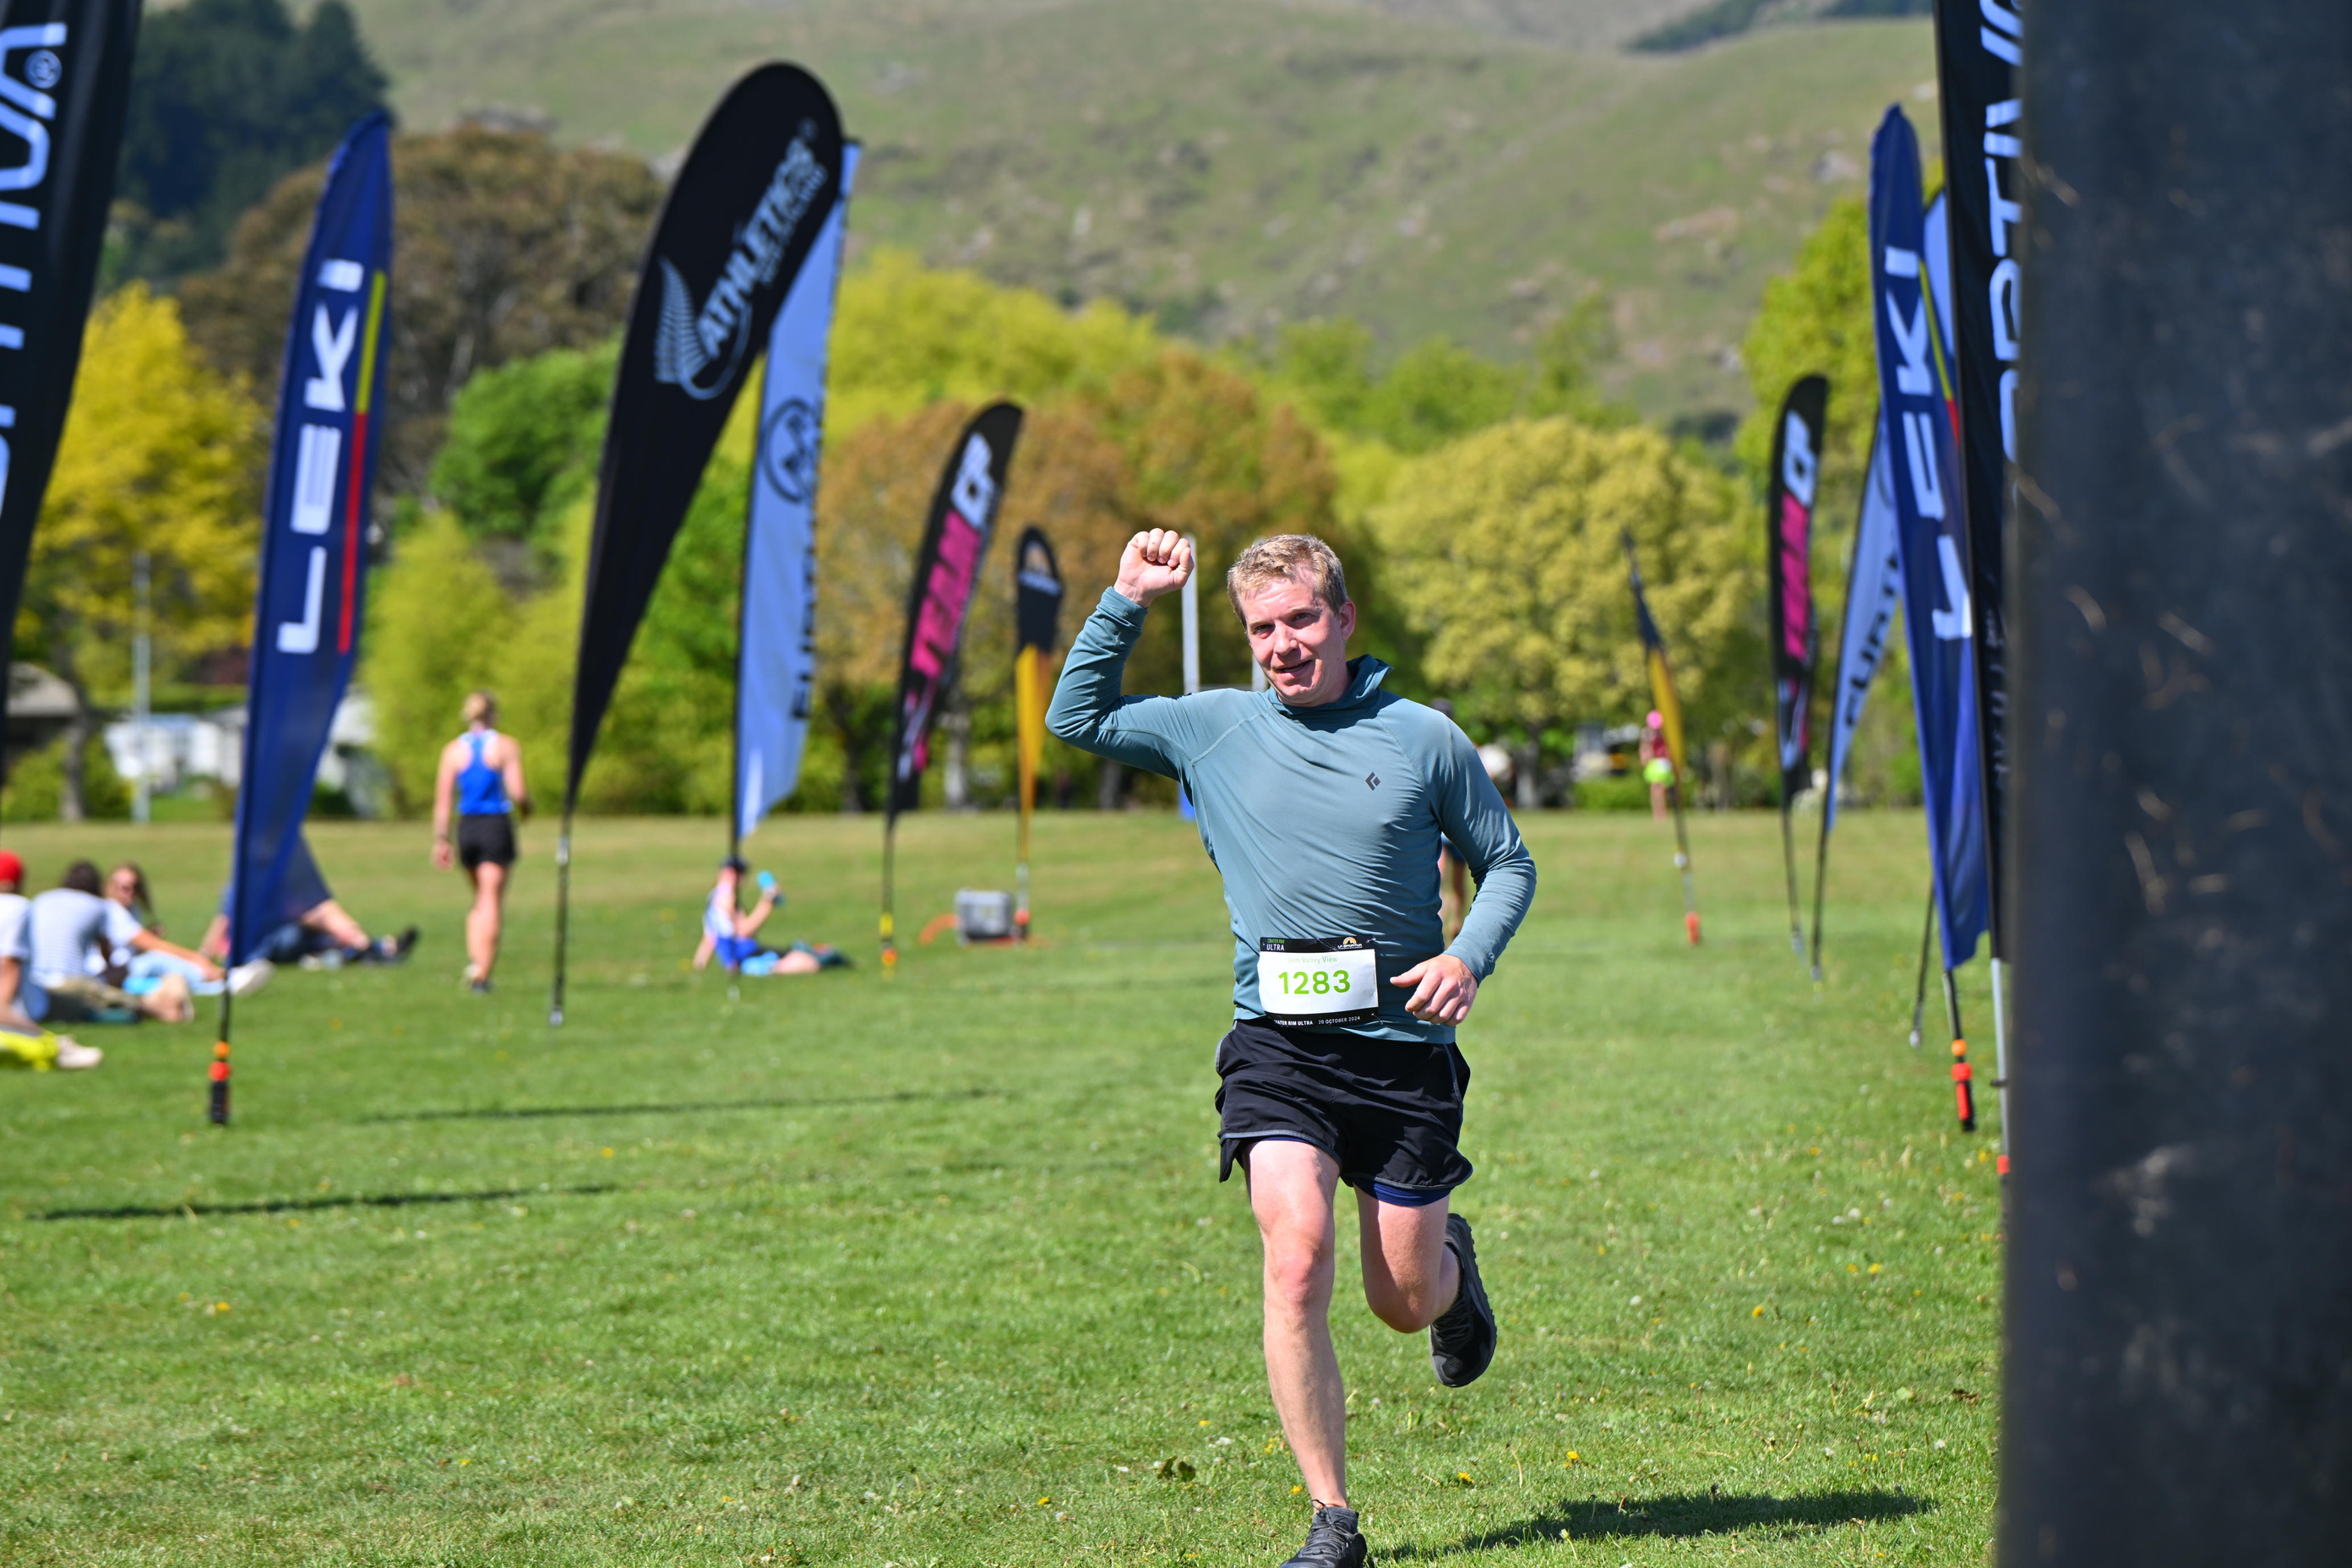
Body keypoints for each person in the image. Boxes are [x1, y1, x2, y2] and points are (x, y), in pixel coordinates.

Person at [1047, 531, 1537, 1568]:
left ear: (1345, 618)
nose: (1281, 643)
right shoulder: (1212, 727)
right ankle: (1332, 1519)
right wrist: (1128, 597)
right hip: (1277, 1049)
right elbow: (1074, 715)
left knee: (1400, 1303)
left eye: (1301, 619)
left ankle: (1453, 1272)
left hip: (1403, 1053)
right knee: (1295, 1254)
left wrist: (1470, 958)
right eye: (1262, 627)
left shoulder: (1422, 737)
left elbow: (1506, 860)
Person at [432, 691, 529, 994]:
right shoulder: (505, 746)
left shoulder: (452, 751)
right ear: (494, 714)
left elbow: (443, 801)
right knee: (490, 901)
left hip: (467, 828)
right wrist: (528, 809)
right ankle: (482, 975)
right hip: (494, 825)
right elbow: (519, 792)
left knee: (478, 901)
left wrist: (441, 840)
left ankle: (475, 962)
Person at [28, 861, 193, 1024]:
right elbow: (106, 953)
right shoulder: (97, 906)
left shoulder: (41, 900)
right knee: (107, 996)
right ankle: (159, 1007)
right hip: (70, 981)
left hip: (34, 981)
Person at [100, 863, 271, 1000]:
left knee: (170, 980)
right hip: (113, 973)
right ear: (109, 886)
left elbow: (130, 947)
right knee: (159, 959)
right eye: (121, 887)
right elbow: (156, 947)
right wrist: (198, 959)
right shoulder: (114, 912)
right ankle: (227, 977)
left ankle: (224, 986)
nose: (127, 892)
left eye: (133, 887)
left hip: (126, 971)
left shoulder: (131, 909)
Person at [0, 851, 99, 1069]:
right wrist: (5, 1011)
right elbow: (9, 963)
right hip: (28, 1004)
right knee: (90, 1001)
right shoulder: (16, 906)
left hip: (30, 996)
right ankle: (58, 1047)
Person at [692, 858, 847, 976]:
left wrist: (700, 963)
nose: (744, 879)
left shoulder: (713, 896)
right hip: (746, 954)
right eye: (743, 874)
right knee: (810, 963)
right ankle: (766, 967)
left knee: (804, 954)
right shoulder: (728, 897)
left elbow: (711, 935)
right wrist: (767, 903)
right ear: (732, 873)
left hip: (741, 956)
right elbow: (744, 931)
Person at [1639, 710, 1673, 819]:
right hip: (1653, 763)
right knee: (1656, 788)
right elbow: (1645, 748)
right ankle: (1658, 812)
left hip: (1663, 762)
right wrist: (1644, 758)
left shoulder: (1663, 733)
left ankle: (1661, 811)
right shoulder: (1647, 734)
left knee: (1660, 789)